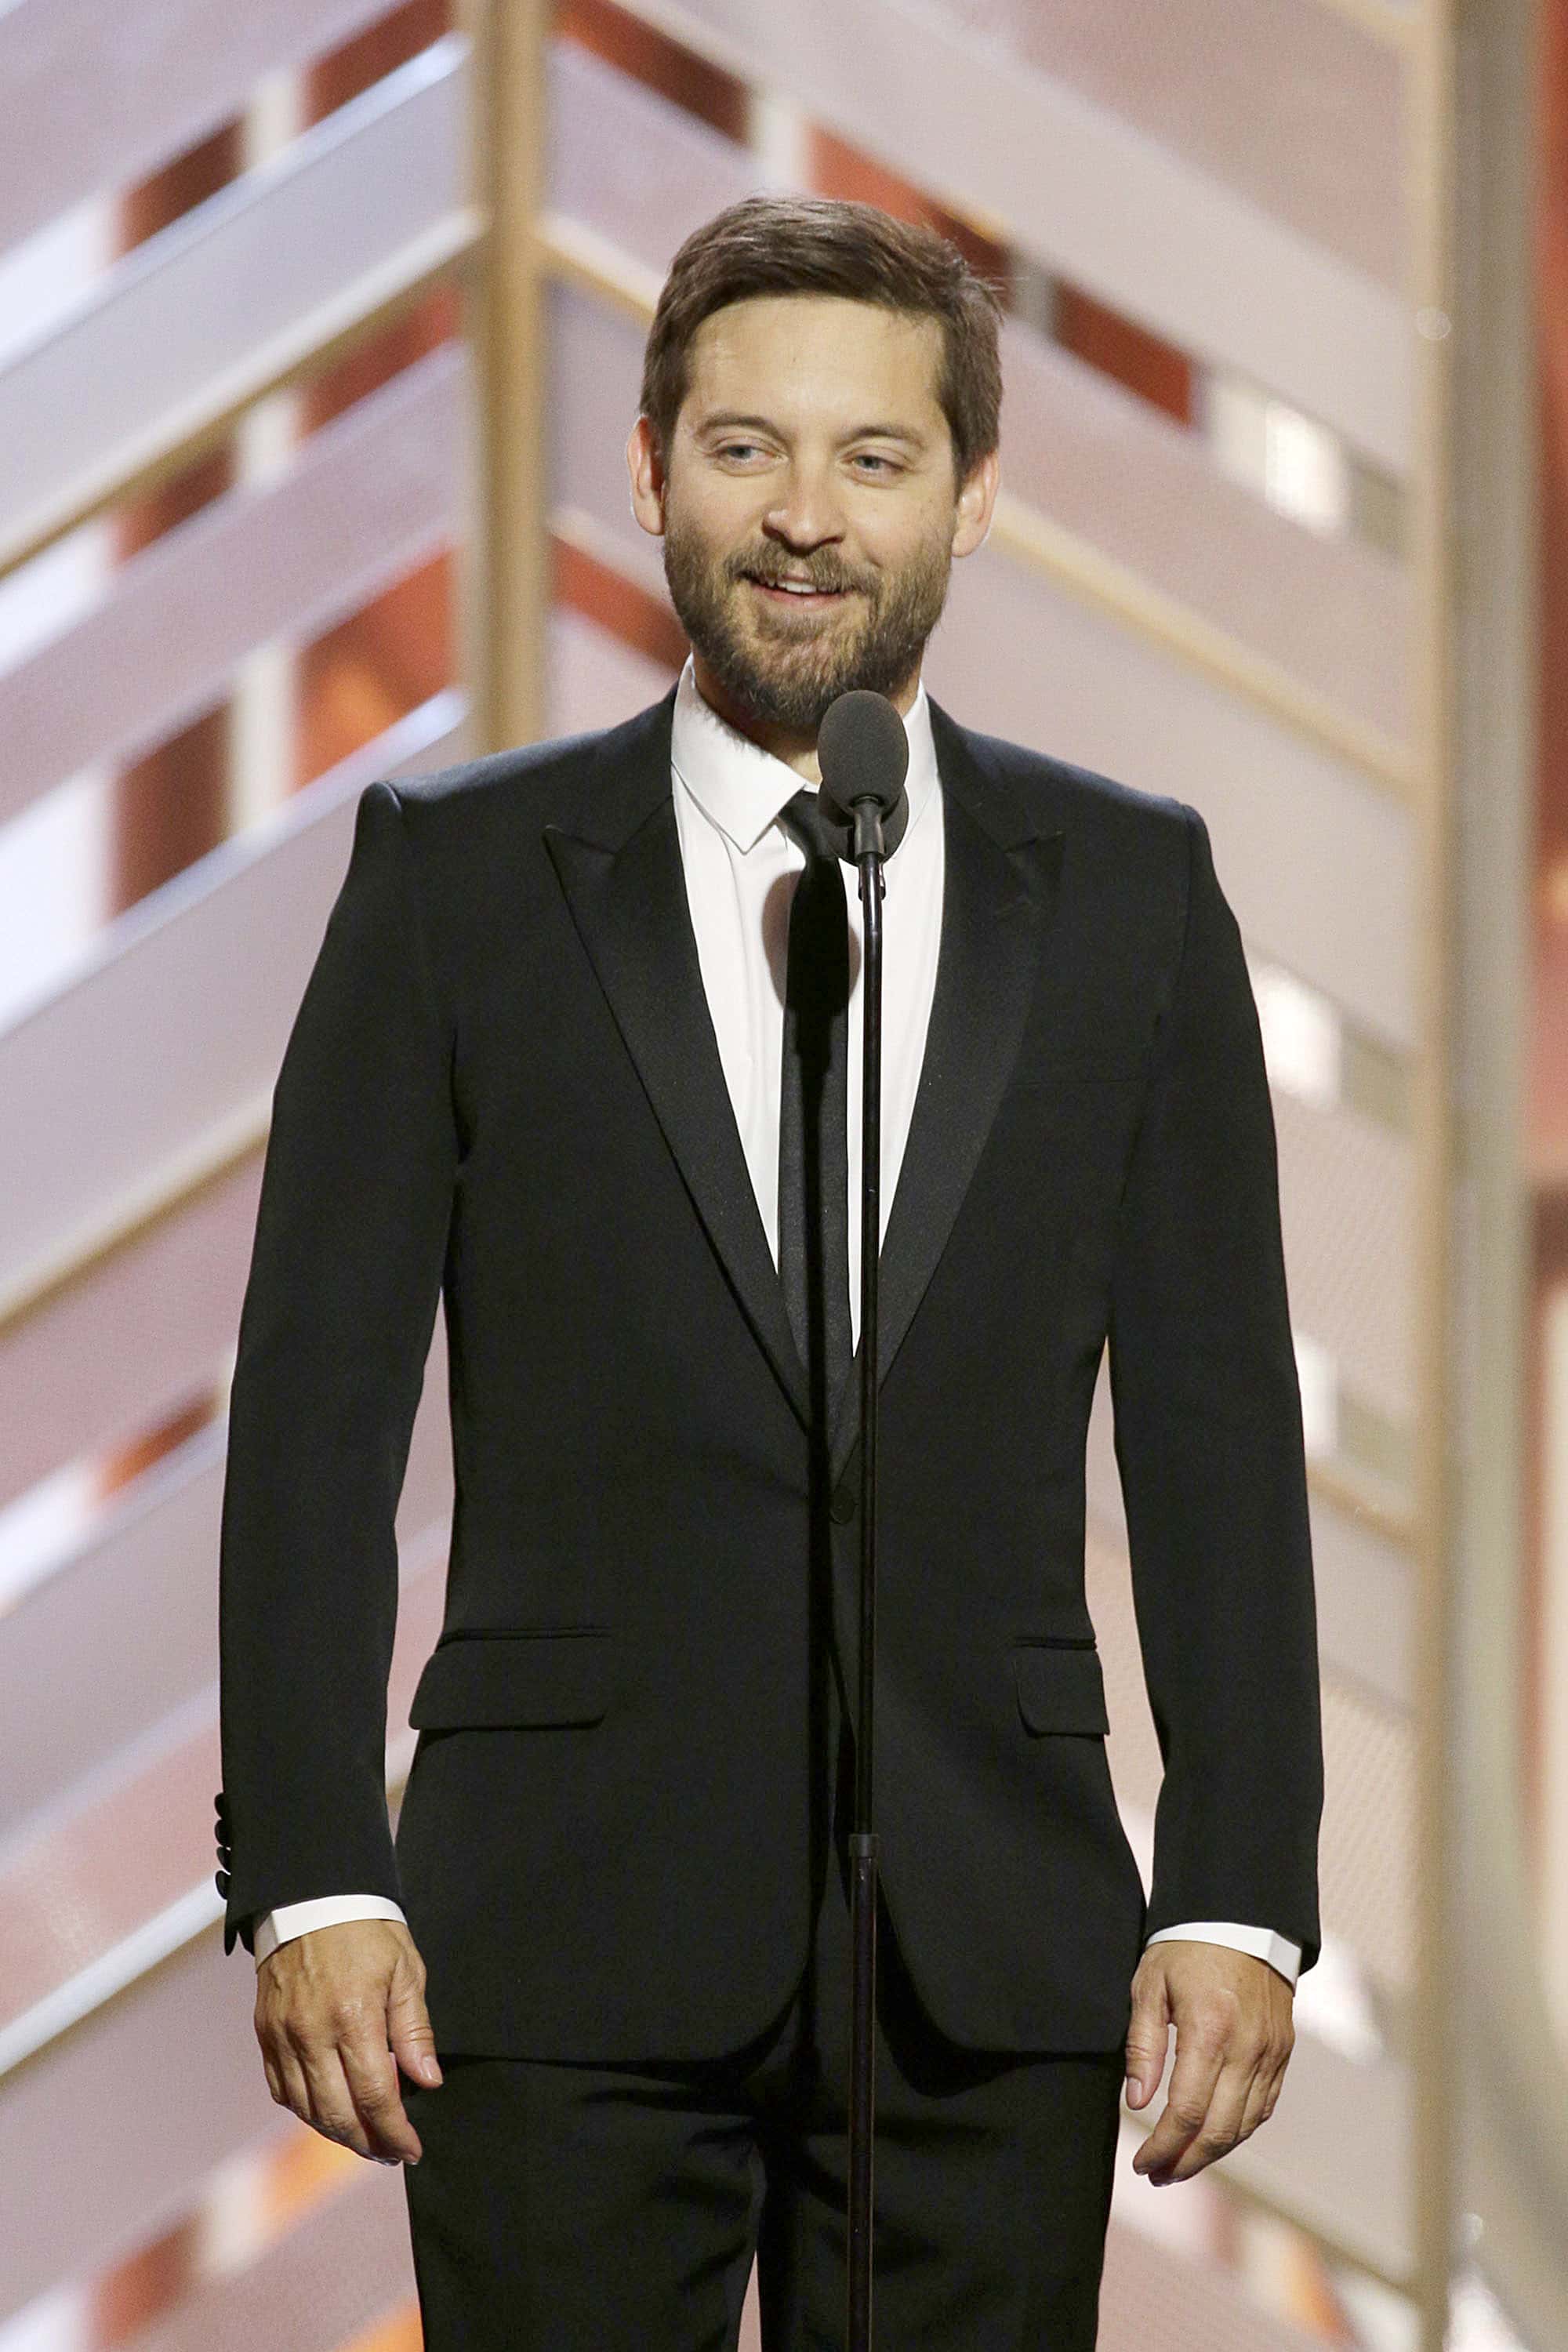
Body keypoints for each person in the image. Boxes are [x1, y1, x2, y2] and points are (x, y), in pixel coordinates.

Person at [215, 193, 1323, 2350]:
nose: (806, 516)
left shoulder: (1130, 893)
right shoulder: (455, 879)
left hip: (988, 1946)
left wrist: (1243, 1890)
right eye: (745, 448)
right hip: (551, 1937)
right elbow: (316, 1412)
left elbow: (1215, 1434)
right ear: (652, 472)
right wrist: (317, 1869)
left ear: (971, 495)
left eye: (874, 457)